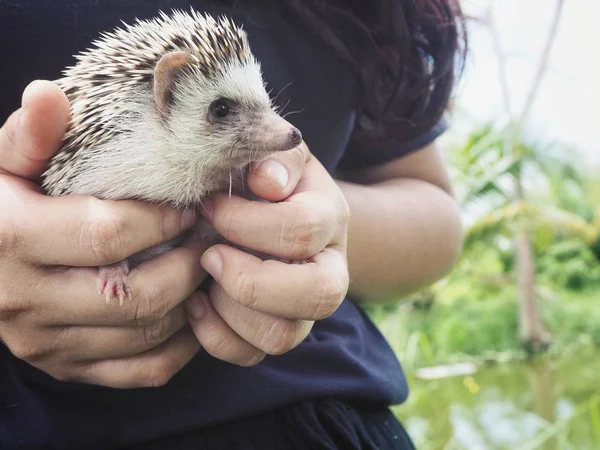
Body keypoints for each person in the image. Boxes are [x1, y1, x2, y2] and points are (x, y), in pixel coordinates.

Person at [0, 0, 465, 448]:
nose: (283, 132)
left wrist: (298, 224)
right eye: (222, 111)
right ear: (165, 98)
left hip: (331, 411)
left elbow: (435, 214)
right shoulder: (117, 151)